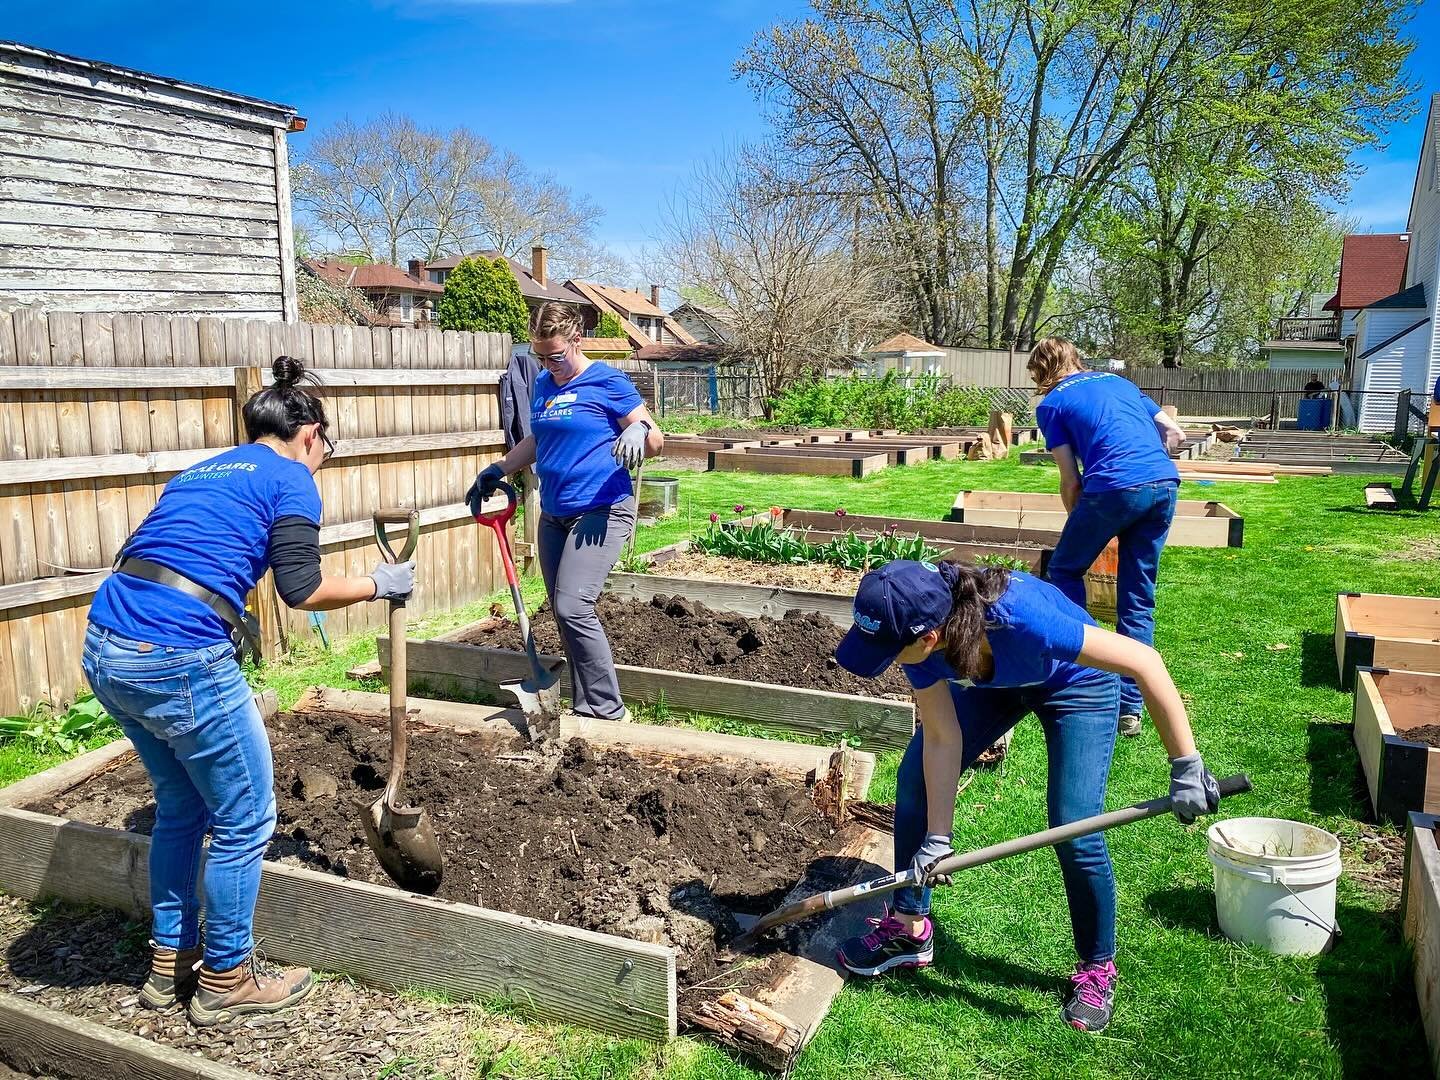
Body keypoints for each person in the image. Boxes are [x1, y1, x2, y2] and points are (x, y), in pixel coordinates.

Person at [83, 357, 415, 1027]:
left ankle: (168, 963)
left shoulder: (206, 468)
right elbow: (302, 590)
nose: (321, 457)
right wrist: (382, 585)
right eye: (326, 446)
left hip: (106, 643)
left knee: (180, 808)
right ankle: (228, 976)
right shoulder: (292, 477)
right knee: (244, 818)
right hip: (176, 653)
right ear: (311, 433)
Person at [832, 560, 1218, 1033]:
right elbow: (941, 737)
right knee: (913, 780)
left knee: (1074, 826)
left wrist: (1186, 766)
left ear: (929, 638)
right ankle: (910, 926)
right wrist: (938, 836)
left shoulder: (1020, 617)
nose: (888, 659)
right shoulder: (919, 629)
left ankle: (1098, 966)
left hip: (1075, 683)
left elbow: (1144, 661)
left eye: (891, 651)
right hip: (994, 683)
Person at [466, 302, 663, 720]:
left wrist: (638, 429)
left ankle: (609, 710)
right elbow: (538, 440)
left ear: (576, 340)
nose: (548, 363)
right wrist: (500, 467)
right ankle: (585, 703)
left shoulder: (607, 380)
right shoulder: (543, 382)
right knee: (561, 609)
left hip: (602, 510)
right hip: (554, 513)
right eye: (540, 355)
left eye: (556, 355)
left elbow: (655, 437)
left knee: (574, 606)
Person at [1029, 338, 1181, 738]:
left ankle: (1081, 676)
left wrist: (1079, 525)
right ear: (1075, 360)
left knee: (1063, 570)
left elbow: (1070, 480)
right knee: (1136, 597)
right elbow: (1173, 430)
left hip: (1112, 488)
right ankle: (1130, 707)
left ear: (1043, 371)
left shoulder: (1052, 405)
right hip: (1164, 484)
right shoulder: (1121, 383)